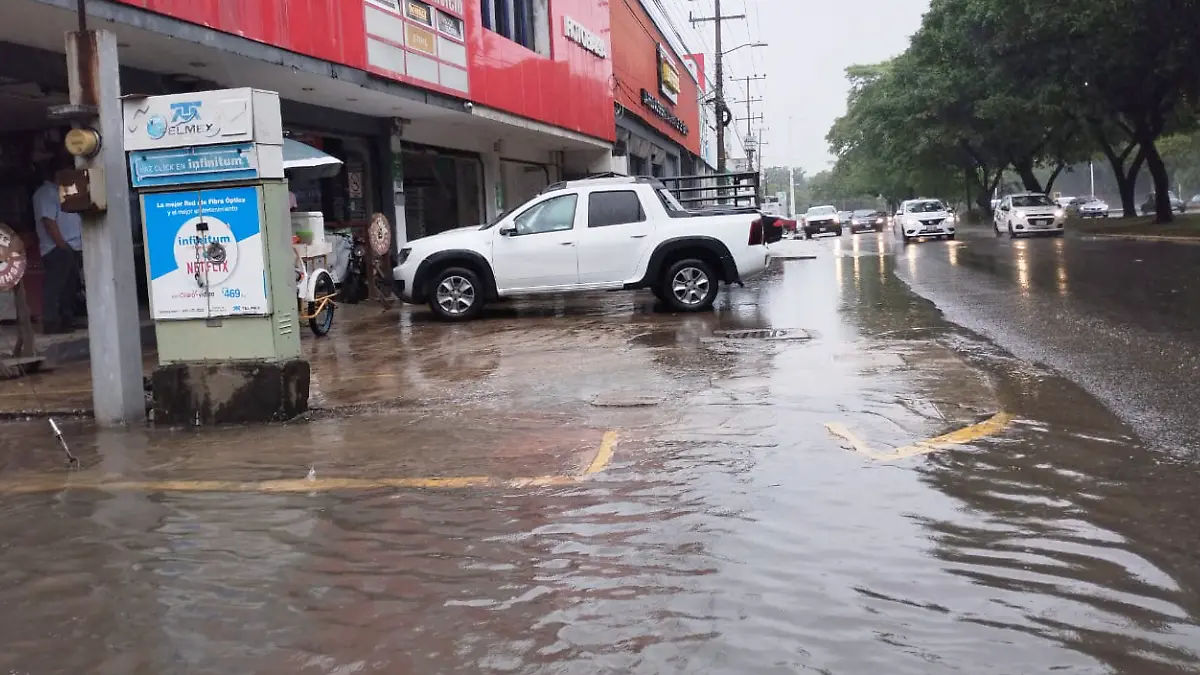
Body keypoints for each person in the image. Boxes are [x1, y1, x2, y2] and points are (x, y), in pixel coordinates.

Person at [32, 161, 83, 334]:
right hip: (57, 247)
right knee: (55, 286)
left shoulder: (62, 190)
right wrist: (61, 245)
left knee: (70, 286)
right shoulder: (45, 193)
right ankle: (52, 322)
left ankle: (66, 320)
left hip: (71, 245)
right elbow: (48, 221)